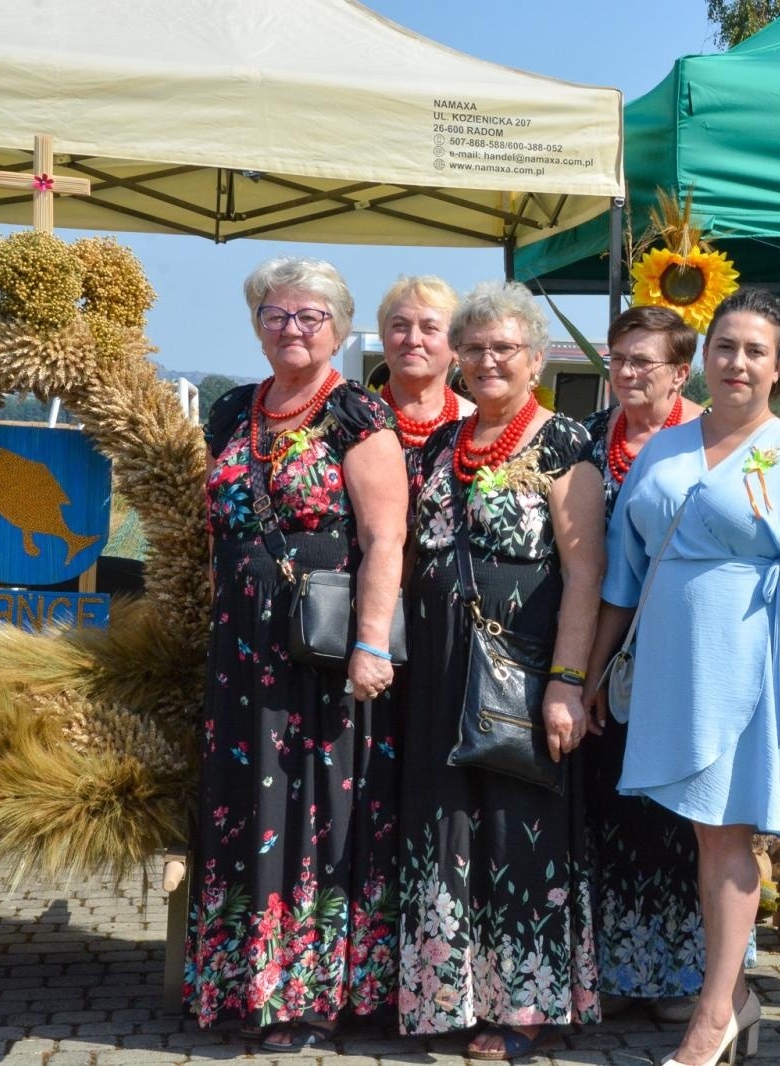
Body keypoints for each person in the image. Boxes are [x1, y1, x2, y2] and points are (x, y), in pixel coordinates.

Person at [588, 287, 780, 1066]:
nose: (736, 363)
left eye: (755, 351)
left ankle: (714, 1013)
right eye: (725, 347)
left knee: (727, 835)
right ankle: (732, 994)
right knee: (707, 838)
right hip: (674, 664)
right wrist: (594, 670)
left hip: (754, 664)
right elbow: (623, 574)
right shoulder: (663, 449)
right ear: (703, 358)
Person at [189, 258, 407, 1045]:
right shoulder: (230, 409)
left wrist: (371, 645)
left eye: (310, 316)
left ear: (340, 328)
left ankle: (310, 995)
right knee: (241, 806)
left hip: (319, 650)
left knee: (313, 810)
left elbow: (386, 540)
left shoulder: (356, 412)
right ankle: (238, 982)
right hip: (239, 648)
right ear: (257, 325)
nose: (292, 329)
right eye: (276, 315)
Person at [395, 281, 605, 1058]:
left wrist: (568, 682)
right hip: (443, 681)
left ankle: (523, 1010)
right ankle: (446, 997)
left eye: (504, 349)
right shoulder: (443, 445)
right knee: (448, 830)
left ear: (536, 358)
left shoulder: (564, 445)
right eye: (474, 348)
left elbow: (586, 575)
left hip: (522, 675)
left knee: (520, 834)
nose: (487, 361)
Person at [577, 305, 707, 1020]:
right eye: (619, 358)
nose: (627, 372)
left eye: (643, 362)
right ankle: (620, 966)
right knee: (613, 804)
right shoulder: (588, 442)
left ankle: (684, 976)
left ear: (679, 372)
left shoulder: (708, 440)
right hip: (605, 651)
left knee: (679, 812)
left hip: (686, 653)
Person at [375, 274, 473, 460]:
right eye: (400, 326)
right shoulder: (357, 421)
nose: (413, 340)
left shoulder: (475, 424)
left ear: (456, 345)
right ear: (383, 337)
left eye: (429, 328)